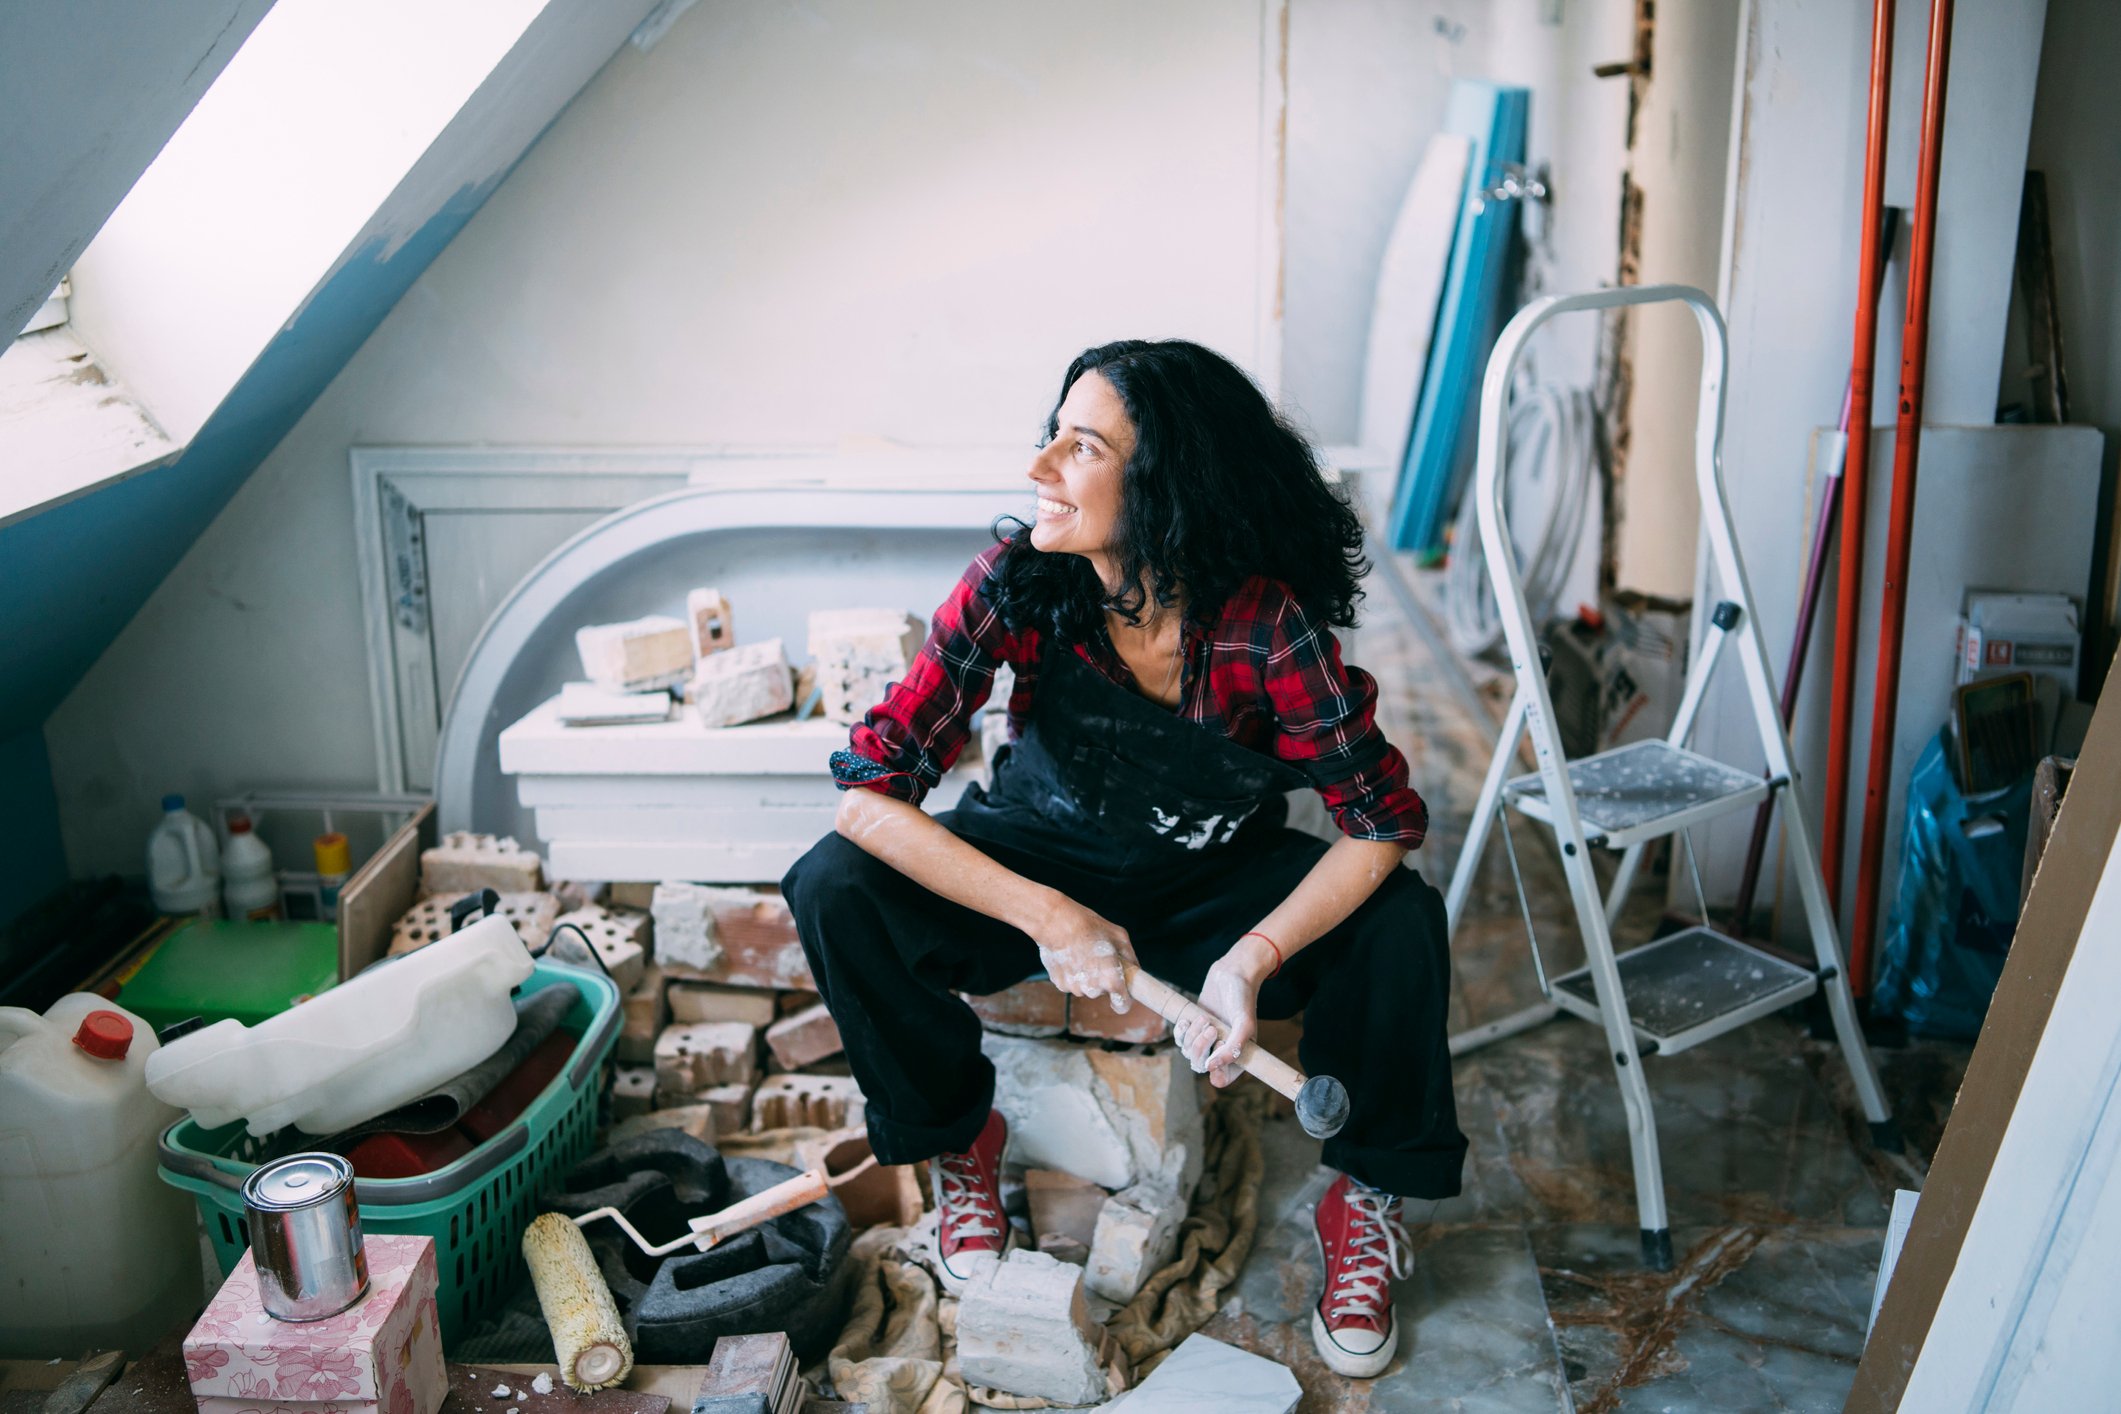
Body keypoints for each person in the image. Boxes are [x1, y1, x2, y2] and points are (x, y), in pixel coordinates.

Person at [781, 339, 1464, 1378]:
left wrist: (1251, 960)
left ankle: (1363, 1196)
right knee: (834, 888)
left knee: (1402, 919)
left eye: (1082, 446)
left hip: (1206, 879)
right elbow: (867, 803)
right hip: (1039, 851)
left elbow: (1379, 820)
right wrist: (1047, 914)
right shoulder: (1019, 581)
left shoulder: (1262, 624)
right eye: (1050, 436)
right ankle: (961, 1139)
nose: (1041, 467)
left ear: (1163, 485)